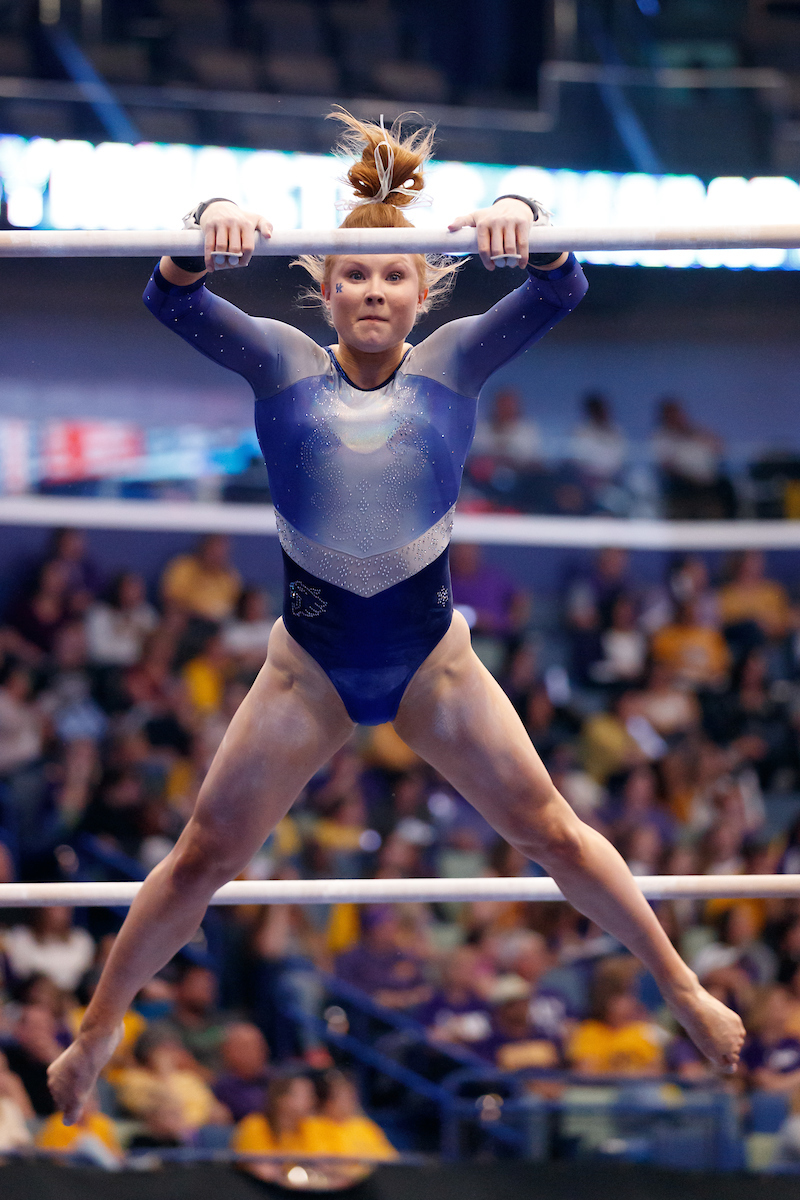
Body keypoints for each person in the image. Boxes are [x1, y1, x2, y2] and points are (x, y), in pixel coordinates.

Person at [48, 108, 743, 1124]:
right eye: (353, 278)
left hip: (431, 661)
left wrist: (520, 213)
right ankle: (97, 1029)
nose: (372, 291)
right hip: (308, 666)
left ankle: (681, 988)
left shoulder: (453, 361)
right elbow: (171, 296)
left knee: (549, 827)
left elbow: (559, 285)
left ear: (421, 294)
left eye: (392, 278)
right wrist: (210, 216)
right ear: (324, 291)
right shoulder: (280, 362)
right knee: (203, 853)